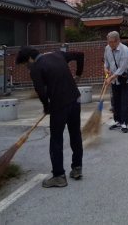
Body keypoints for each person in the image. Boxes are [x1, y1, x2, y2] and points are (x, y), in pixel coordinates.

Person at [16, 46, 85, 188]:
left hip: (59, 106)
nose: (26, 67)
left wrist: (46, 107)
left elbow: (41, 92)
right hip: (74, 100)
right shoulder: (58, 55)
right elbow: (80, 55)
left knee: (56, 140)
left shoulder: (36, 69)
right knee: (75, 134)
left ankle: (59, 176)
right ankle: (77, 167)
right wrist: (78, 75)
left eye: (25, 63)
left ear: (30, 58)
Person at [104, 31, 128, 133]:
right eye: (109, 42)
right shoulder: (107, 48)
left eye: (113, 42)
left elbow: (122, 68)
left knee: (124, 101)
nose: (111, 44)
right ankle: (117, 121)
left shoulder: (125, 50)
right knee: (115, 101)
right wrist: (106, 69)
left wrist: (110, 78)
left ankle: (124, 122)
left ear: (118, 40)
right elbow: (106, 61)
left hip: (125, 78)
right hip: (114, 80)